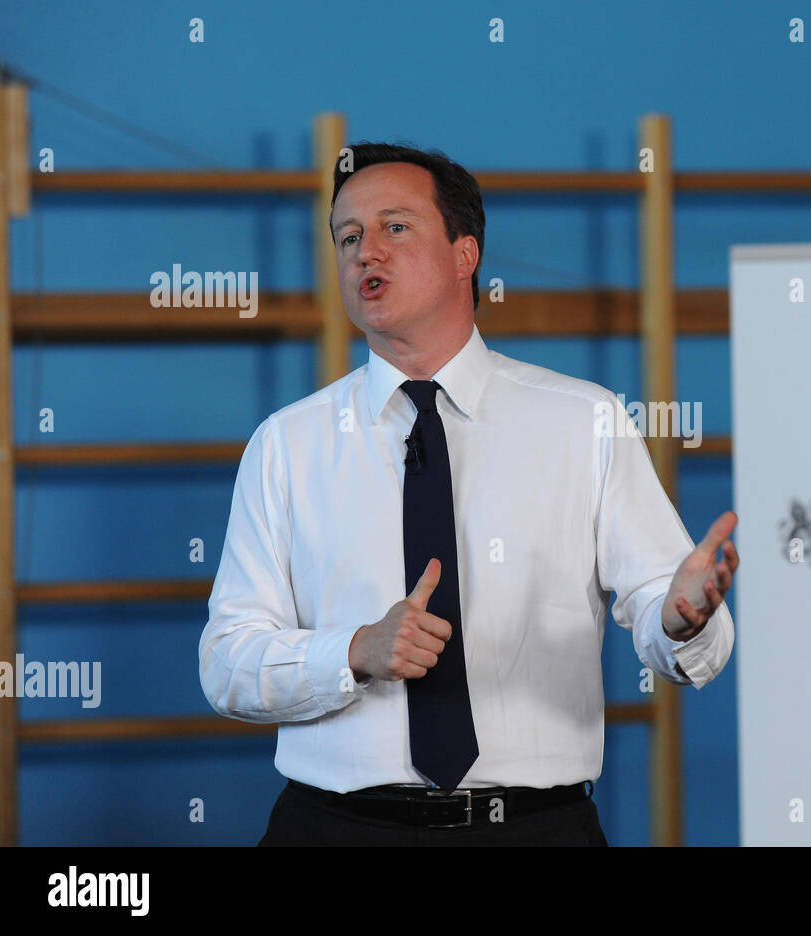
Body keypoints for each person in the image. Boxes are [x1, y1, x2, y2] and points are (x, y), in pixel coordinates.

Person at [198, 143, 739, 846]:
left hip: (533, 830)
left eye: (395, 228)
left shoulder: (585, 421)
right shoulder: (286, 445)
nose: (367, 253)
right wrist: (355, 650)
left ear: (465, 253)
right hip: (334, 829)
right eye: (349, 237)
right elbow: (226, 663)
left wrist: (681, 620)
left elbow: (675, 625)